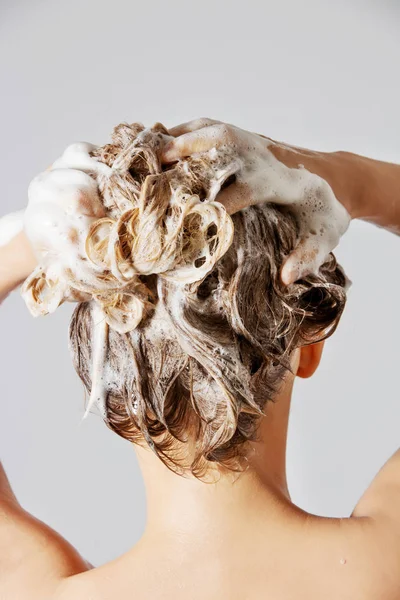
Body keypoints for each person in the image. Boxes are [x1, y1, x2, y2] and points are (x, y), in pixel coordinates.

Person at [0, 118, 399, 600]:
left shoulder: (33, 588)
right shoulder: (381, 565)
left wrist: (38, 239)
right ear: (310, 344)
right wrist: (342, 182)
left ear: (107, 378)